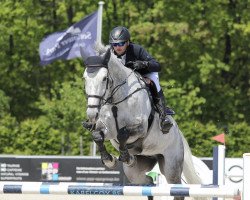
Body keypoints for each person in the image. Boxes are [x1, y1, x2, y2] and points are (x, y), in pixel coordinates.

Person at [109, 26, 175, 134]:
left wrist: (144, 63)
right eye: (114, 44)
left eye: (121, 44)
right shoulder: (110, 54)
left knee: (154, 82)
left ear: (128, 42)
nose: (118, 47)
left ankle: (163, 118)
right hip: (126, 79)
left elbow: (158, 66)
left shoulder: (136, 49)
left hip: (146, 74)